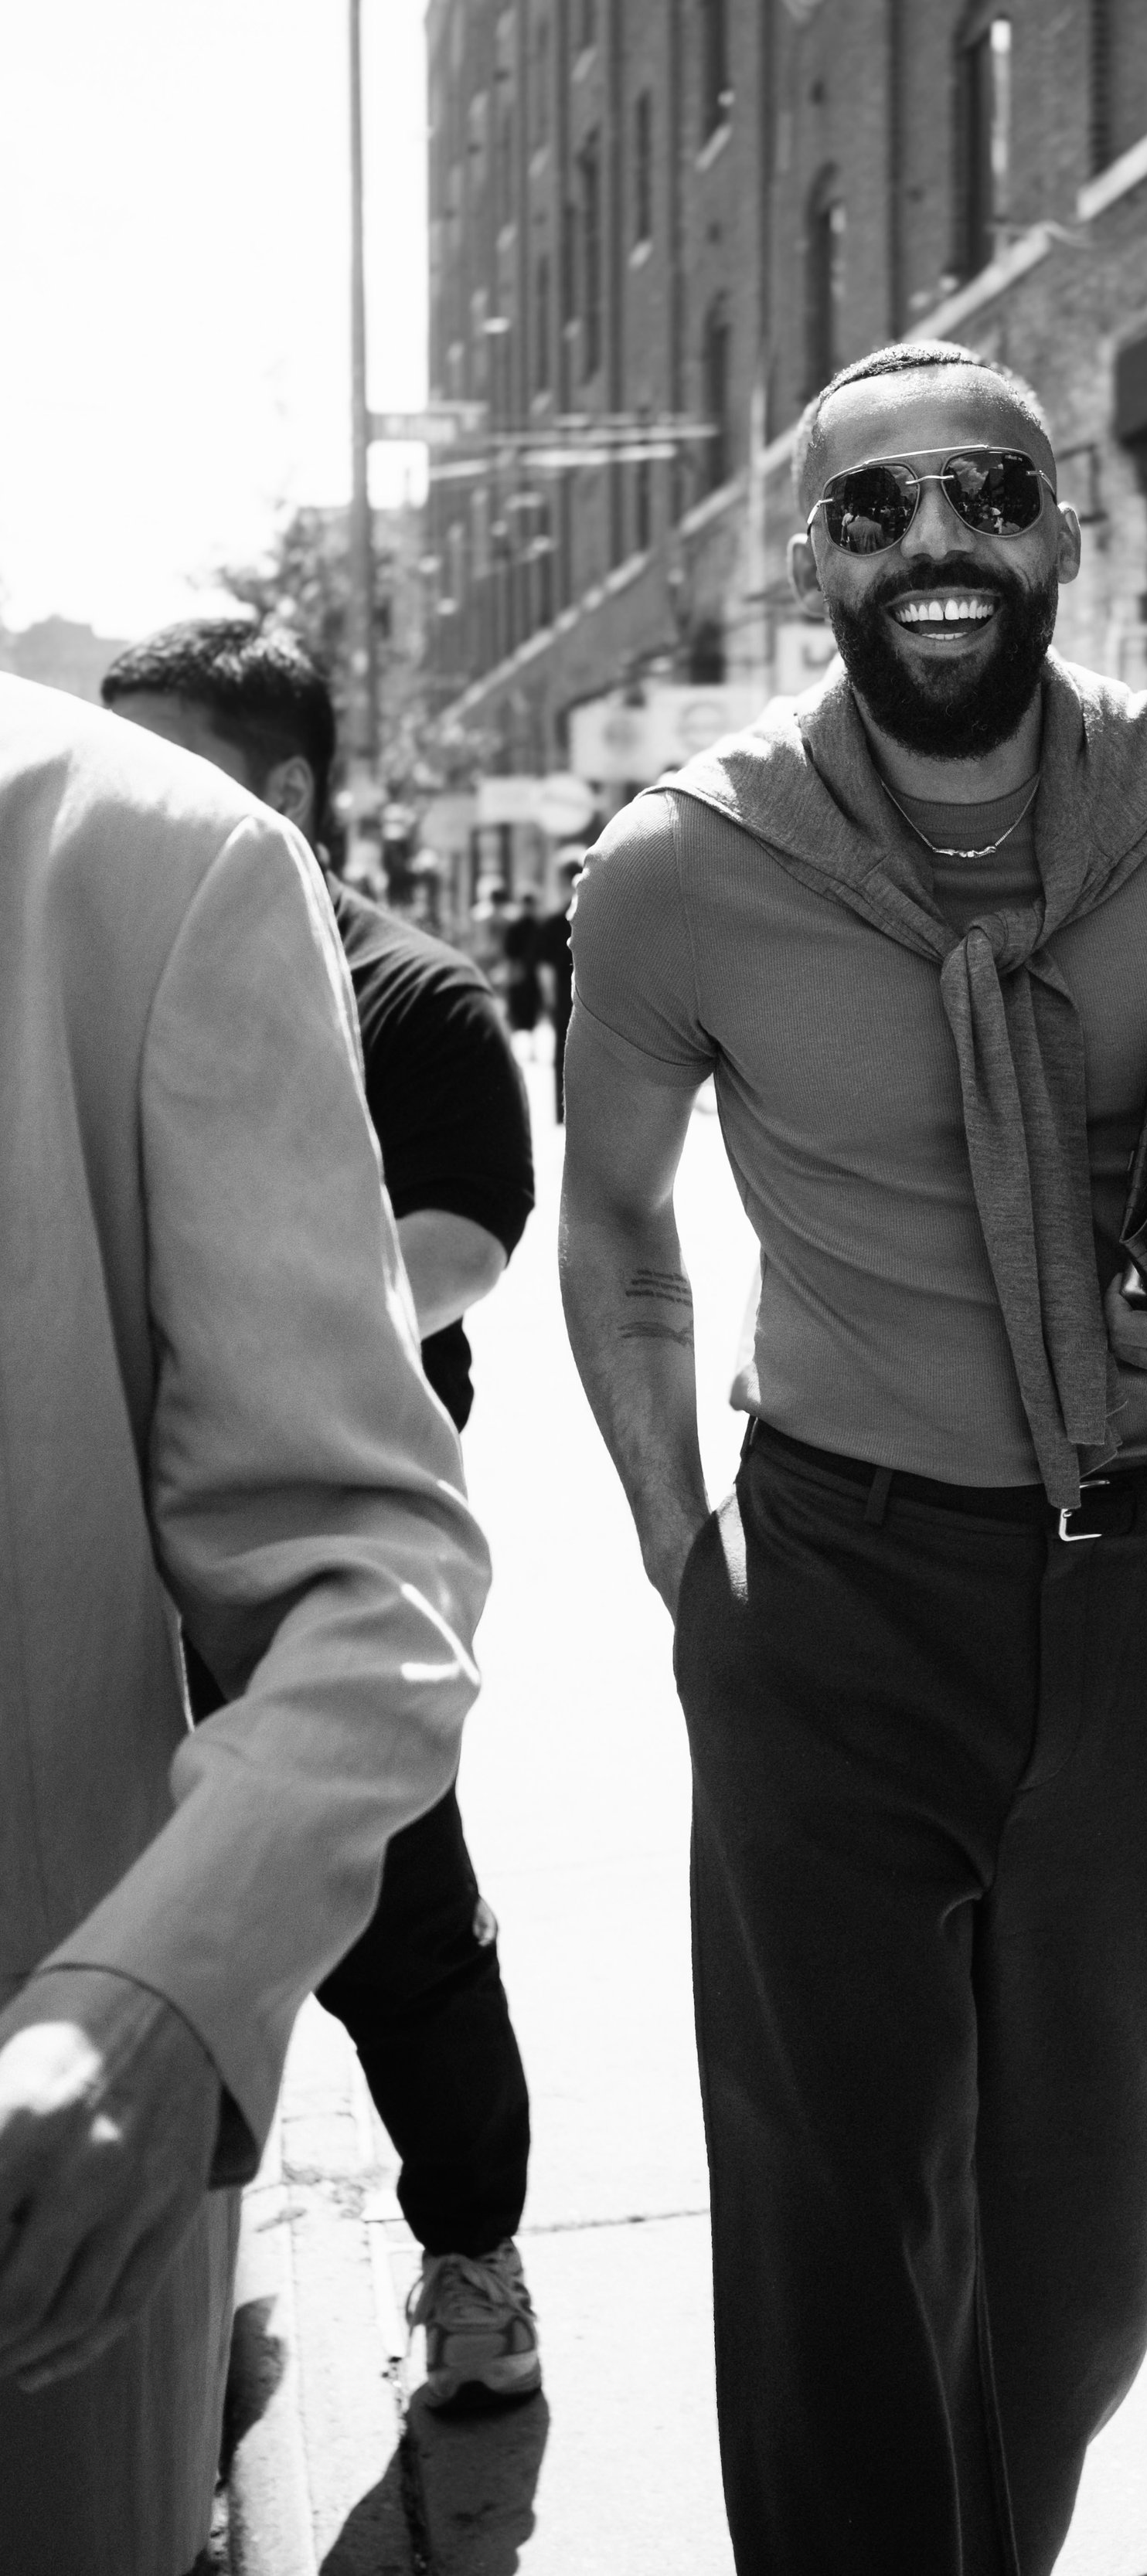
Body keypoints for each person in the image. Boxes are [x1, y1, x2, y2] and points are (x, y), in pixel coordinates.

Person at [562, 338, 1147, 2575]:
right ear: (808, 561)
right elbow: (624, 1230)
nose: (935, 545)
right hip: (831, 1586)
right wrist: (692, 1577)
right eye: (877, 509)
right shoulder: (680, 867)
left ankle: (990, 2535)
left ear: (1071, 531)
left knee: (1099, 2180)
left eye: (988, 495)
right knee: (834, 2204)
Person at [0, 675, 490, 2574]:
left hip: (40, 2177)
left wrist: (169, 1986)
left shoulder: (149, 864)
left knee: (440, 1975)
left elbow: (376, 1553)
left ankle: (478, 2254)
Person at [102, 621, 543, 2412]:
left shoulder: (414, 994)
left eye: (159, 765)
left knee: (401, 1934)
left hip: (314, 1572)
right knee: (123, 1904)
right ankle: (162, 2279)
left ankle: (476, 2261)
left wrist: (221, 1329)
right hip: (92, 1553)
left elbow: (465, 1244)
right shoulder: (92, 957)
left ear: (282, 788)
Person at [537, 851, 584, 1123]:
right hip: (593, 998)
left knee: (563, 1054)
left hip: (562, 997)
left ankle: (563, 1111)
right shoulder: (600, 917)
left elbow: (543, 966)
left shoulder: (554, 922)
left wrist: (548, 999)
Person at [502, 886, 545, 1055]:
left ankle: (529, 1048)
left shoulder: (536, 926)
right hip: (522, 973)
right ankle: (514, 1046)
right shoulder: (529, 926)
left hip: (529, 974)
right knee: (518, 1009)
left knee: (529, 1009)